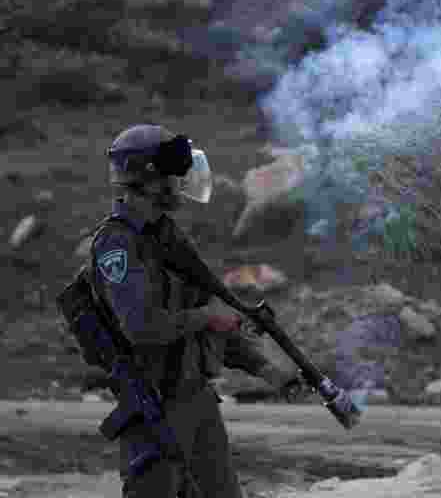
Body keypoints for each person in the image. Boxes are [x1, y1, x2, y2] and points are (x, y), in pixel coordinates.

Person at [93, 124, 299, 498]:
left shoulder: (166, 236)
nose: (184, 181)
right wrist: (208, 318)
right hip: (154, 405)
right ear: (150, 179)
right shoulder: (118, 244)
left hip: (197, 399)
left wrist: (266, 369)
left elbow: (207, 313)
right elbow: (142, 327)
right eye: (176, 172)